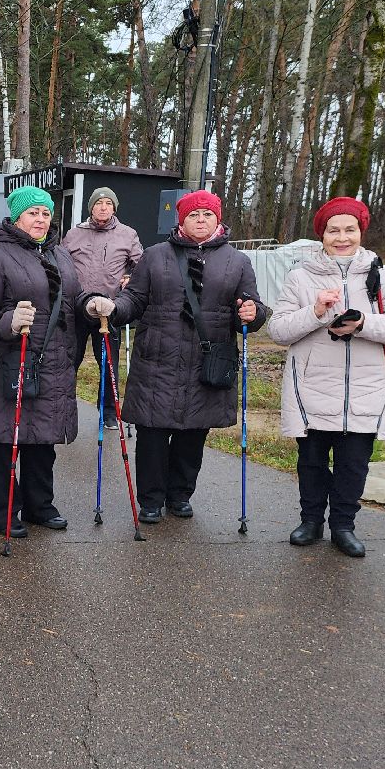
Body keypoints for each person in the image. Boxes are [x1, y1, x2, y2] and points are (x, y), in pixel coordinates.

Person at [85, 190, 267, 523]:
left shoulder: (237, 262)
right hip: (158, 359)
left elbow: (253, 308)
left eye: (207, 214)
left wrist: (252, 314)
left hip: (208, 361)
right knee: (153, 434)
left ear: (218, 219)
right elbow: (134, 301)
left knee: (193, 434)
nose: (201, 220)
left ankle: (180, 495)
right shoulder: (155, 256)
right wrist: (113, 308)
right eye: (193, 214)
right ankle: (151, 500)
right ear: (181, 220)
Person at [266, 197, 385, 557]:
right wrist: (316, 311)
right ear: (323, 235)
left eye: (350, 229)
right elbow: (279, 330)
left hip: (365, 388)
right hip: (312, 385)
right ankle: (311, 521)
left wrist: (363, 323)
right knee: (312, 460)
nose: (342, 237)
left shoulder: (383, 274)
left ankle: (343, 526)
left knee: (353, 464)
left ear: (361, 232)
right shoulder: (301, 276)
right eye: (334, 230)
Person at [0, 186, 83, 535]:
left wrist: (93, 306)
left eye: (46, 213)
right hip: (8, 364)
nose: (41, 219)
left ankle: (39, 506)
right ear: (17, 217)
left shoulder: (61, 256)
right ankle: (3, 513)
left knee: (42, 440)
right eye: (33, 213)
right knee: (5, 442)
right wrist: (8, 322)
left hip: (52, 363)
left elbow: (71, 303)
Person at [61, 186, 143, 428]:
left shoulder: (127, 234)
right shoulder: (74, 234)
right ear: (91, 208)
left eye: (108, 203)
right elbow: (61, 265)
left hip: (109, 308)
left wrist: (131, 277)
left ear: (114, 208)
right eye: (99, 203)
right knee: (68, 360)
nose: (103, 207)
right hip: (77, 306)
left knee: (108, 362)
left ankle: (107, 410)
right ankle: (64, 405)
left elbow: (142, 266)